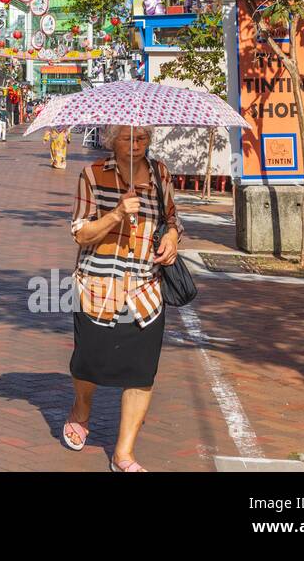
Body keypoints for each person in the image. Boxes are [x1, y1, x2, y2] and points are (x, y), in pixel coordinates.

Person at [63, 124, 181, 472]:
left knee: (141, 374)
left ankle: (123, 454)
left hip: (146, 290)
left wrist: (172, 239)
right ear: (113, 141)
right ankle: (81, 410)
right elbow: (81, 233)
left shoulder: (160, 173)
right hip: (99, 288)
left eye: (143, 138)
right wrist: (115, 214)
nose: (137, 145)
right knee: (88, 364)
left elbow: (172, 219)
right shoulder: (92, 174)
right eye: (129, 138)